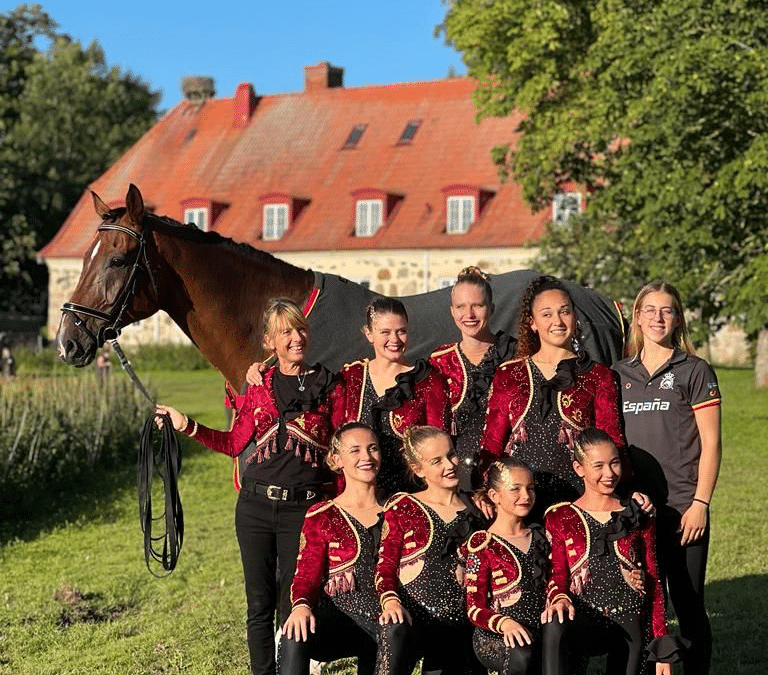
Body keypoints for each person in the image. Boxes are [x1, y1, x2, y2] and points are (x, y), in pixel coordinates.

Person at [155, 298, 343, 675]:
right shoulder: (258, 386)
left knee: (296, 601)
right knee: (258, 604)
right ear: (269, 341)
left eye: (300, 329)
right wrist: (185, 424)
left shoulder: (330, 385)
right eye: (285, 332)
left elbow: (340, 454)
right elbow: (234, 444)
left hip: (304, 509)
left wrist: (337, 508)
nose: (295, 338)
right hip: (255, 508)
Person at [613, 282, 721, 675]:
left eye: (667, 310)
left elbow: (712, 444)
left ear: (677, 319)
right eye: (651, 310)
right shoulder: (618, 373)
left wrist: (700, 503)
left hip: (683, 509)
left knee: (688, 605)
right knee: (639, 603)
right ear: (638, 317)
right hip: (635, 511)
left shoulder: (694, 370)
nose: (658, 318)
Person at [482, 275, 624, 521]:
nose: (557, 321)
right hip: (519, 504)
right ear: (532, 323)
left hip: (579, 502)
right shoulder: (509, 374)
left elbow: (612, 440)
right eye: (547, 314)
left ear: (575, 317)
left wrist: (625, 492)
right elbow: (492, 442)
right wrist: (484, 489)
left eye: (564, 312)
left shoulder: (598, 375)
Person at [543, 428, 679, 675]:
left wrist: (662, 649)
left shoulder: (637, 512)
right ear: (579, 468)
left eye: (614, 463)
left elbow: (654, 580)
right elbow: (558, 573)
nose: (609, 473)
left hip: (629, 620)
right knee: (555, 619)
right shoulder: (561, 516)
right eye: (599, 466)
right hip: (584, 619)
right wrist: (559, 597)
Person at [375, 426, 487, 675]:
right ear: (418, 469)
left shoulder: (478, 508)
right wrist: (390, 601)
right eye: (437, 461)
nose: (450, 465)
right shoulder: (404, 505)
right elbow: (385, 565)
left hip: (461, 626)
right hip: (412, 620)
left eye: (451, 454)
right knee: (392, 633)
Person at [280, 422, 384, 675]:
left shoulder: (399, 508)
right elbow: (306, 575)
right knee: (293, 633)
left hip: (389, 623)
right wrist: (301, 606)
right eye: (355, 450)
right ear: (337, 460)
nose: (366, 457)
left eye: (373, 448)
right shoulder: (322, 515)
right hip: (341, 622)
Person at [337, 298, 450, 497]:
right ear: (369, 334)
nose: (395, 339)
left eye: (401, 331)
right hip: (358, 498)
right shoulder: (351, 377)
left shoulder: (428, 381)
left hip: (412, 496)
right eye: (385, 332)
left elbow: (439, 446)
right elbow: (336, 439)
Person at [429, 267, 516, 491]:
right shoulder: (439, 362)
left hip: (509, 479)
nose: (469, 314)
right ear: (452, 311)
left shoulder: (516, 355)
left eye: (477, 305)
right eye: (461, 307)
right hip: (456, 478)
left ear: (492, 308)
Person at [461, 457, 549, 675]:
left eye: (530, 488)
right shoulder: (483, 544)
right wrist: (504, 624)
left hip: (540, 631)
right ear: (494, 496)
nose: (525, 496)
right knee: (521, 652)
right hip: (497, 635)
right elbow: (474, 608)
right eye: (515, 489)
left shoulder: (542, 537)